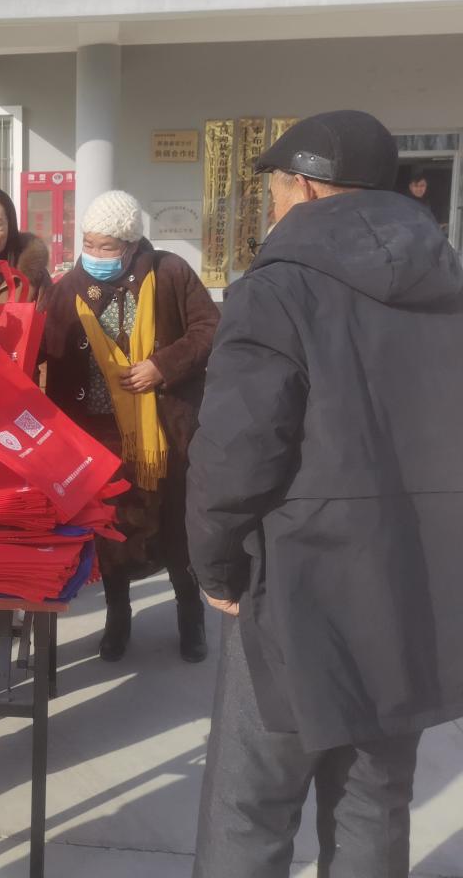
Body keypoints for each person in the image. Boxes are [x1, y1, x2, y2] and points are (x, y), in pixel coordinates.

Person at [186, 110, 463, 878]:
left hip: (294, 589)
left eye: (275, 190)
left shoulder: (277, 288)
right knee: (375, 804)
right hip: (413, 592)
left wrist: (215, 569)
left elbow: (236, 452)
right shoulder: (450, 288)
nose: (273, 207)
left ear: (305, 188)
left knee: (251, 810)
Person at [43, 190, 219, 663]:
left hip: (166, 433)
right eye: (88, 243)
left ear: (131, 243)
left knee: (178, 525)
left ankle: (190, 613)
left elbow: (209, 328)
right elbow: (48, 354)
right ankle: (118, 616)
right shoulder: (67, 288)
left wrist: (163, 365)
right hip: (100, 435)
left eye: (106, 246)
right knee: (114, 532)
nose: (95, 255)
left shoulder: (170, 272)